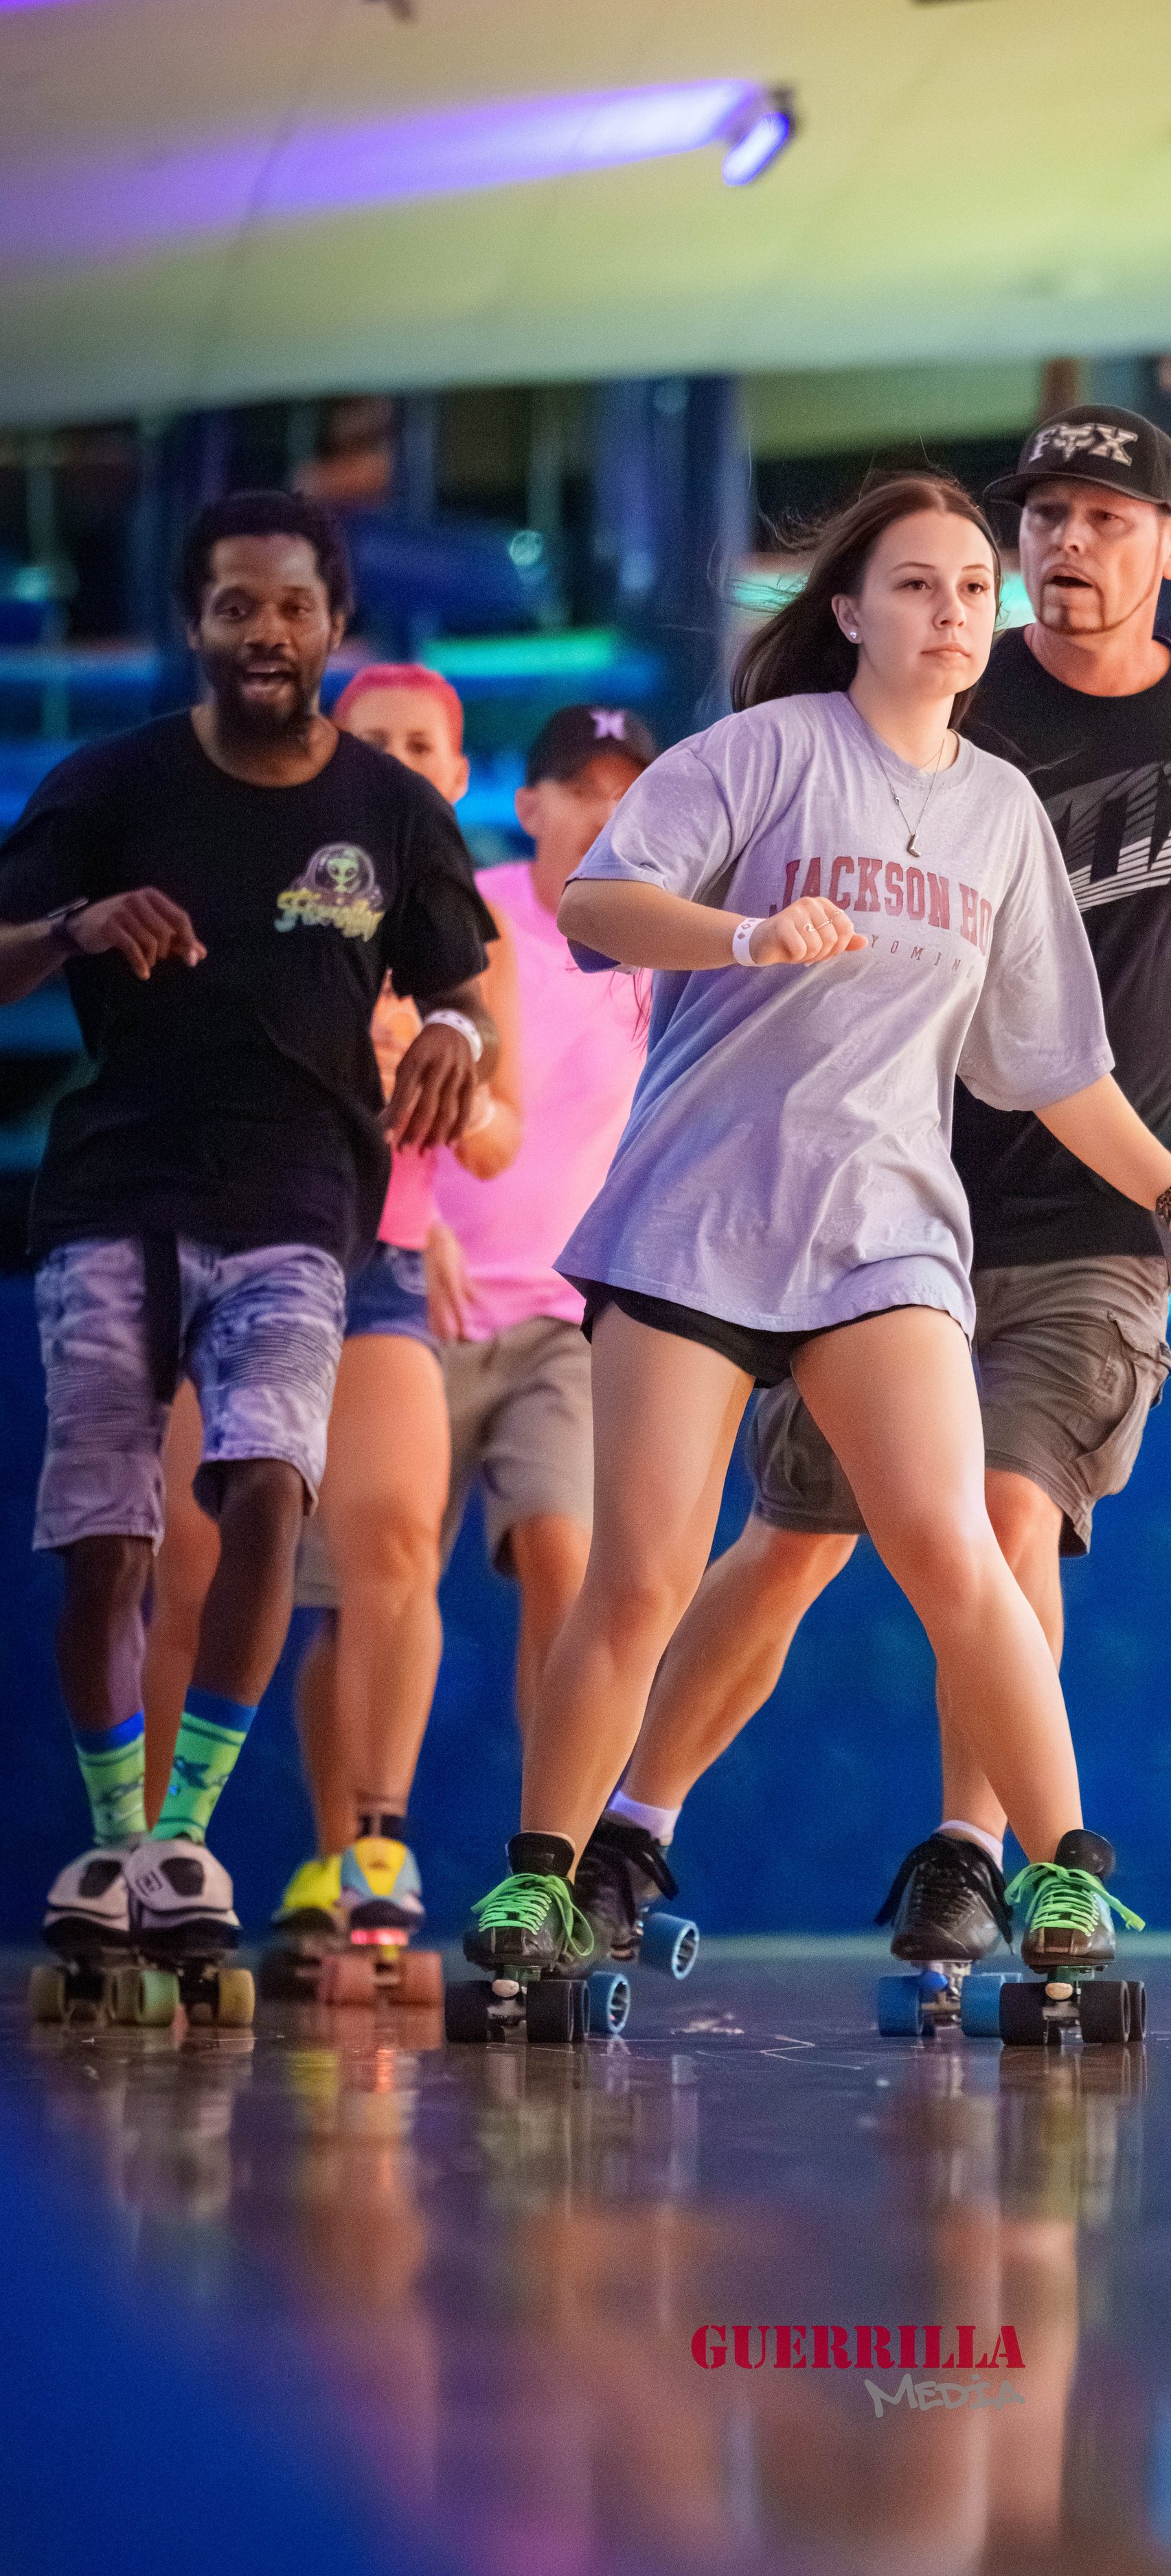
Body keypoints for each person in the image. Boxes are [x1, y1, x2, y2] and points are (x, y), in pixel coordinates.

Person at [455, 469, 1171, 1995]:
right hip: (693, 1220)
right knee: (637, 1581)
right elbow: (601, 906)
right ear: (847, 613)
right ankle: (541, 1888)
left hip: (882, 1236)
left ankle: (1066, 1887)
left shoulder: (1000, 815)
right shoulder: (764, 753)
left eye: (974, 587)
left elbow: (1052, 1070)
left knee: (959, 1552)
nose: (953, 610)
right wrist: (747, 935)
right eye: (915, 585)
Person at [0, 490, 496, 1969]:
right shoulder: (109, 783)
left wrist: (457, 1033)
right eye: (235, 607)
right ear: (194, 626)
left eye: (290, 607)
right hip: (112, 1204)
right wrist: (76, 930)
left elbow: (463, 978)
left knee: (270, 1488)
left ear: (331, 625)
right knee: (110, 1540)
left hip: (300, 1208)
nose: (264, 633)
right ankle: (111, 1838)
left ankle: (184, 1844)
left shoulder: (392, 812)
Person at [141, 662, 523, 1961]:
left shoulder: (472, 931)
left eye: (426, 741)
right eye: (377, 739)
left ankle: (373, 1844)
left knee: (397, 1544)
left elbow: (499, 1136)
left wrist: (445, 1069)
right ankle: (150, 1854)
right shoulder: (251, 878)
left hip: (381, 1262)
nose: (402, 759)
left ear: (460, 774)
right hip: (226, 1234)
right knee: (184, 1569)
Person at [424, 703, 656, 1816]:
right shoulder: (462, 922)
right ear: (527, 806)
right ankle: (353, 1858)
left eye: (629, 785)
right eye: (581, 785)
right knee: (379, 1585)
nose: (608, 807)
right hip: (421, 1300)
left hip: (573, 1319)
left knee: (568, 1569)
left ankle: (547, 1866)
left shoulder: (670, 950)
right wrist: (407, 1226)